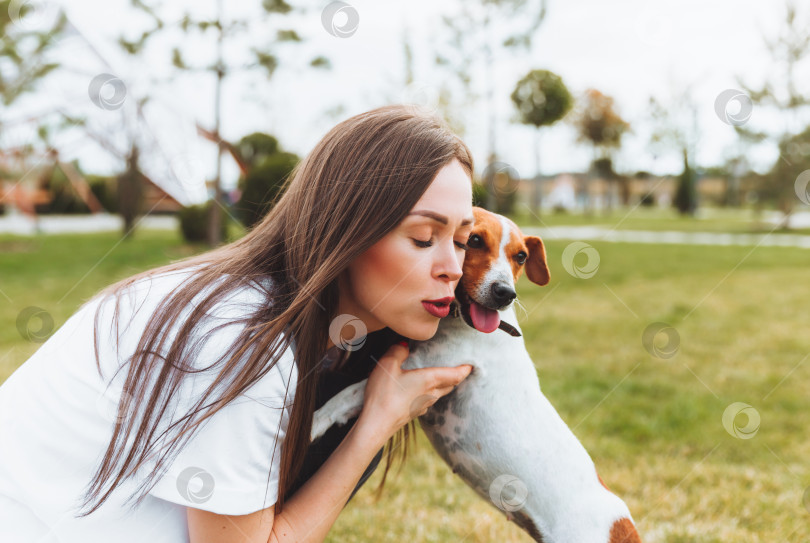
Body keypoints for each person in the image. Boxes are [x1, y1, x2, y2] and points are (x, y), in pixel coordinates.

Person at [0, 104, 476, 543]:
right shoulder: (243, 341)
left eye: (461, 239)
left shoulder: (258, 306)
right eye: (422, 237)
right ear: (347, 229)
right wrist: (377, 422)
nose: (452, 267)